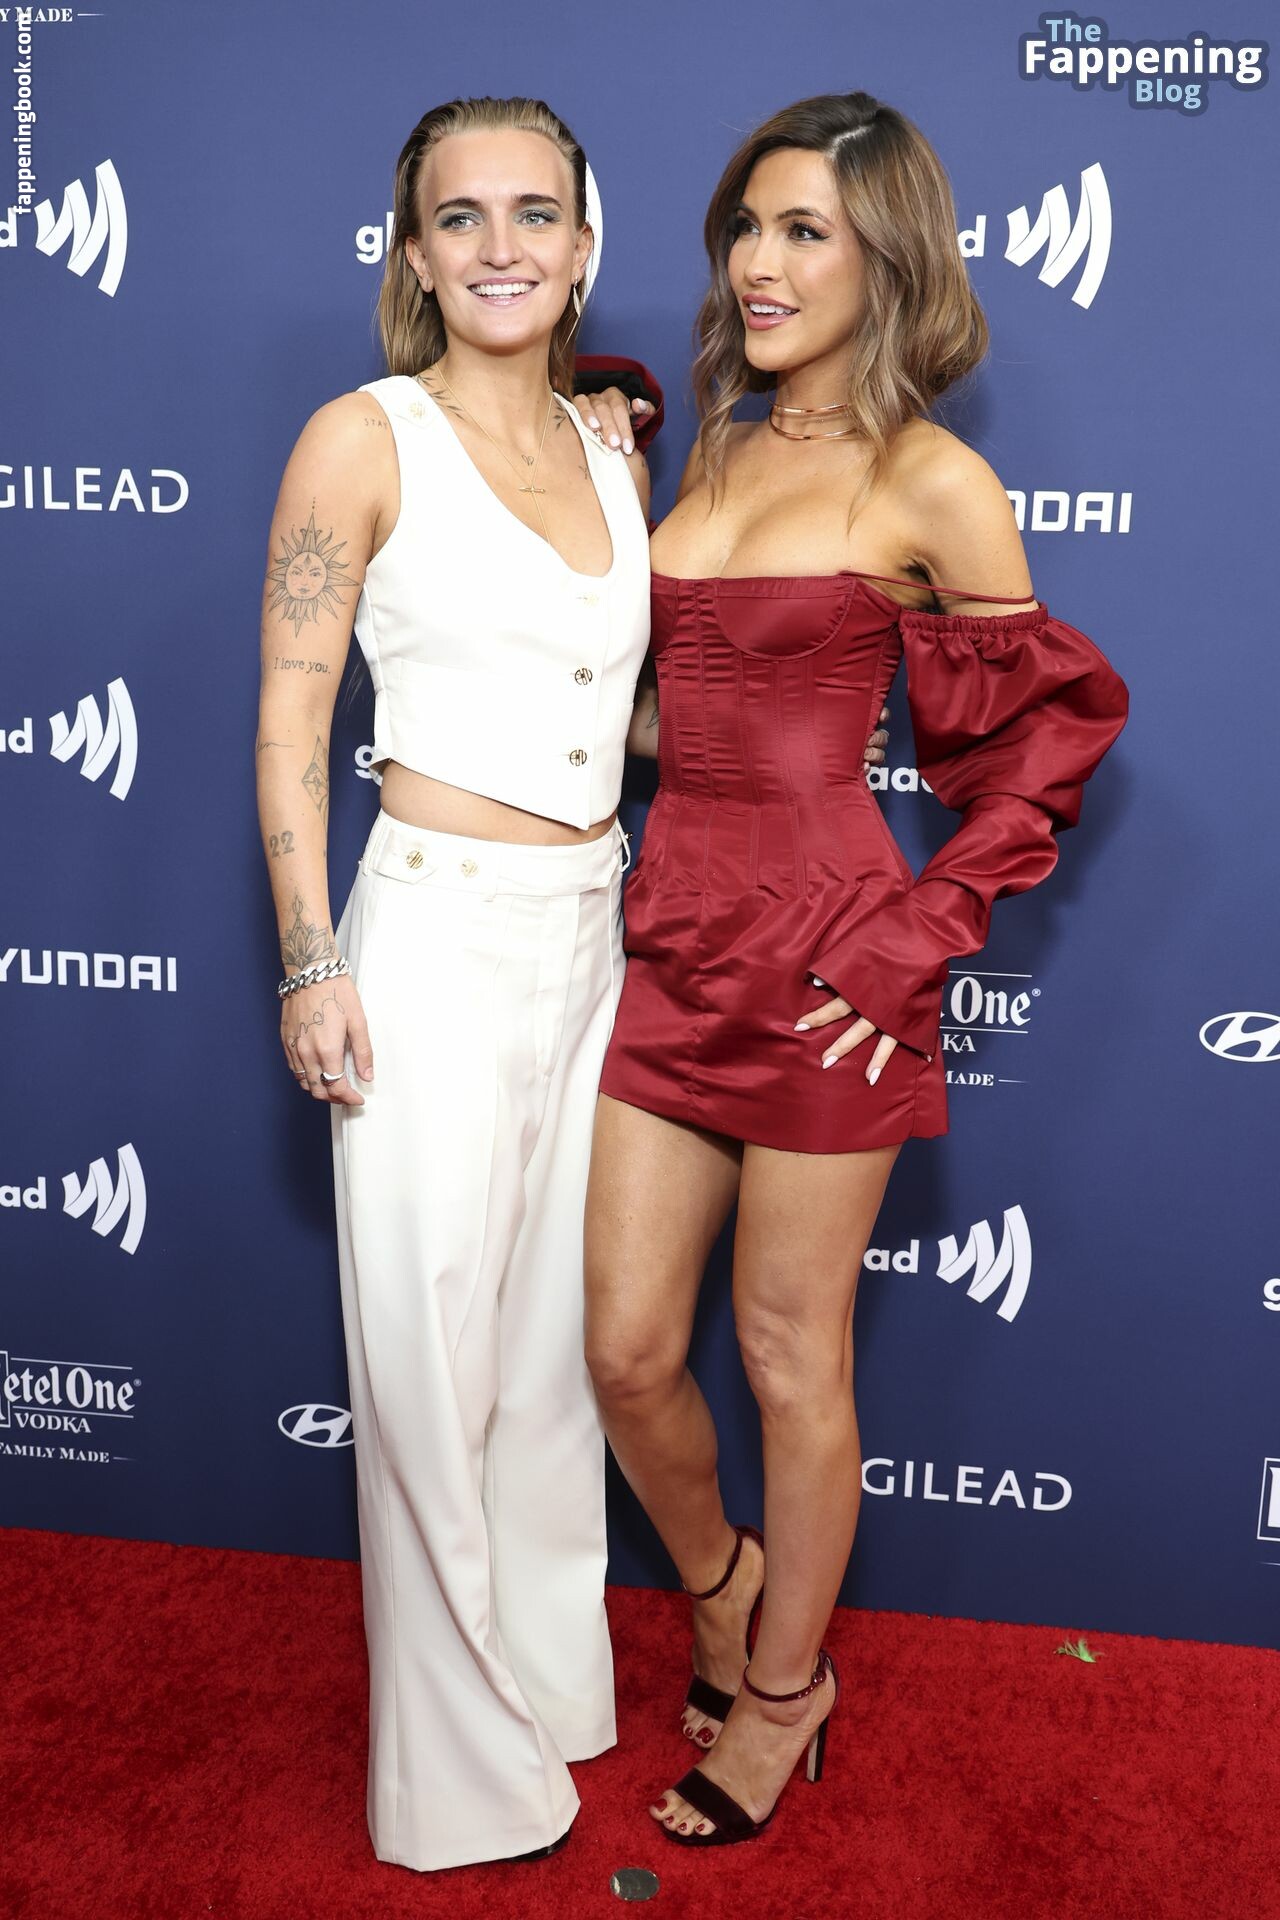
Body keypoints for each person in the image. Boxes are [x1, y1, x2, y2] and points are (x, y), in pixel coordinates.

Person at [256, 87, 896, 1874]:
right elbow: (292, 723)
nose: (502, 246)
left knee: (555, 1371)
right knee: (425, 1365)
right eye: (461, 217)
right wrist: (310, 958)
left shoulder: (623, 453)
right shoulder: (359, 439)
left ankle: (551, 1692)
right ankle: (458, 1778)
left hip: (599, 937)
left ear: (586, 245)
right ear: (413, 253)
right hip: (429, 934)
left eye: (535, 213)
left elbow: (620, 715)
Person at [577, 90, 1129, 1848]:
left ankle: (785, 1691)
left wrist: (911, 937)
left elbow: (1041, 744)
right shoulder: (715, 450)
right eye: (748, 225)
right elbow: (677, 718)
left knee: (788, 1354)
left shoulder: (928, 478)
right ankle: (726, 1583)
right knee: (626, 1352)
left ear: (886, 256)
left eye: (804, 230)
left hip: (832, 968)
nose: (759, 260)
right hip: (673, 943)